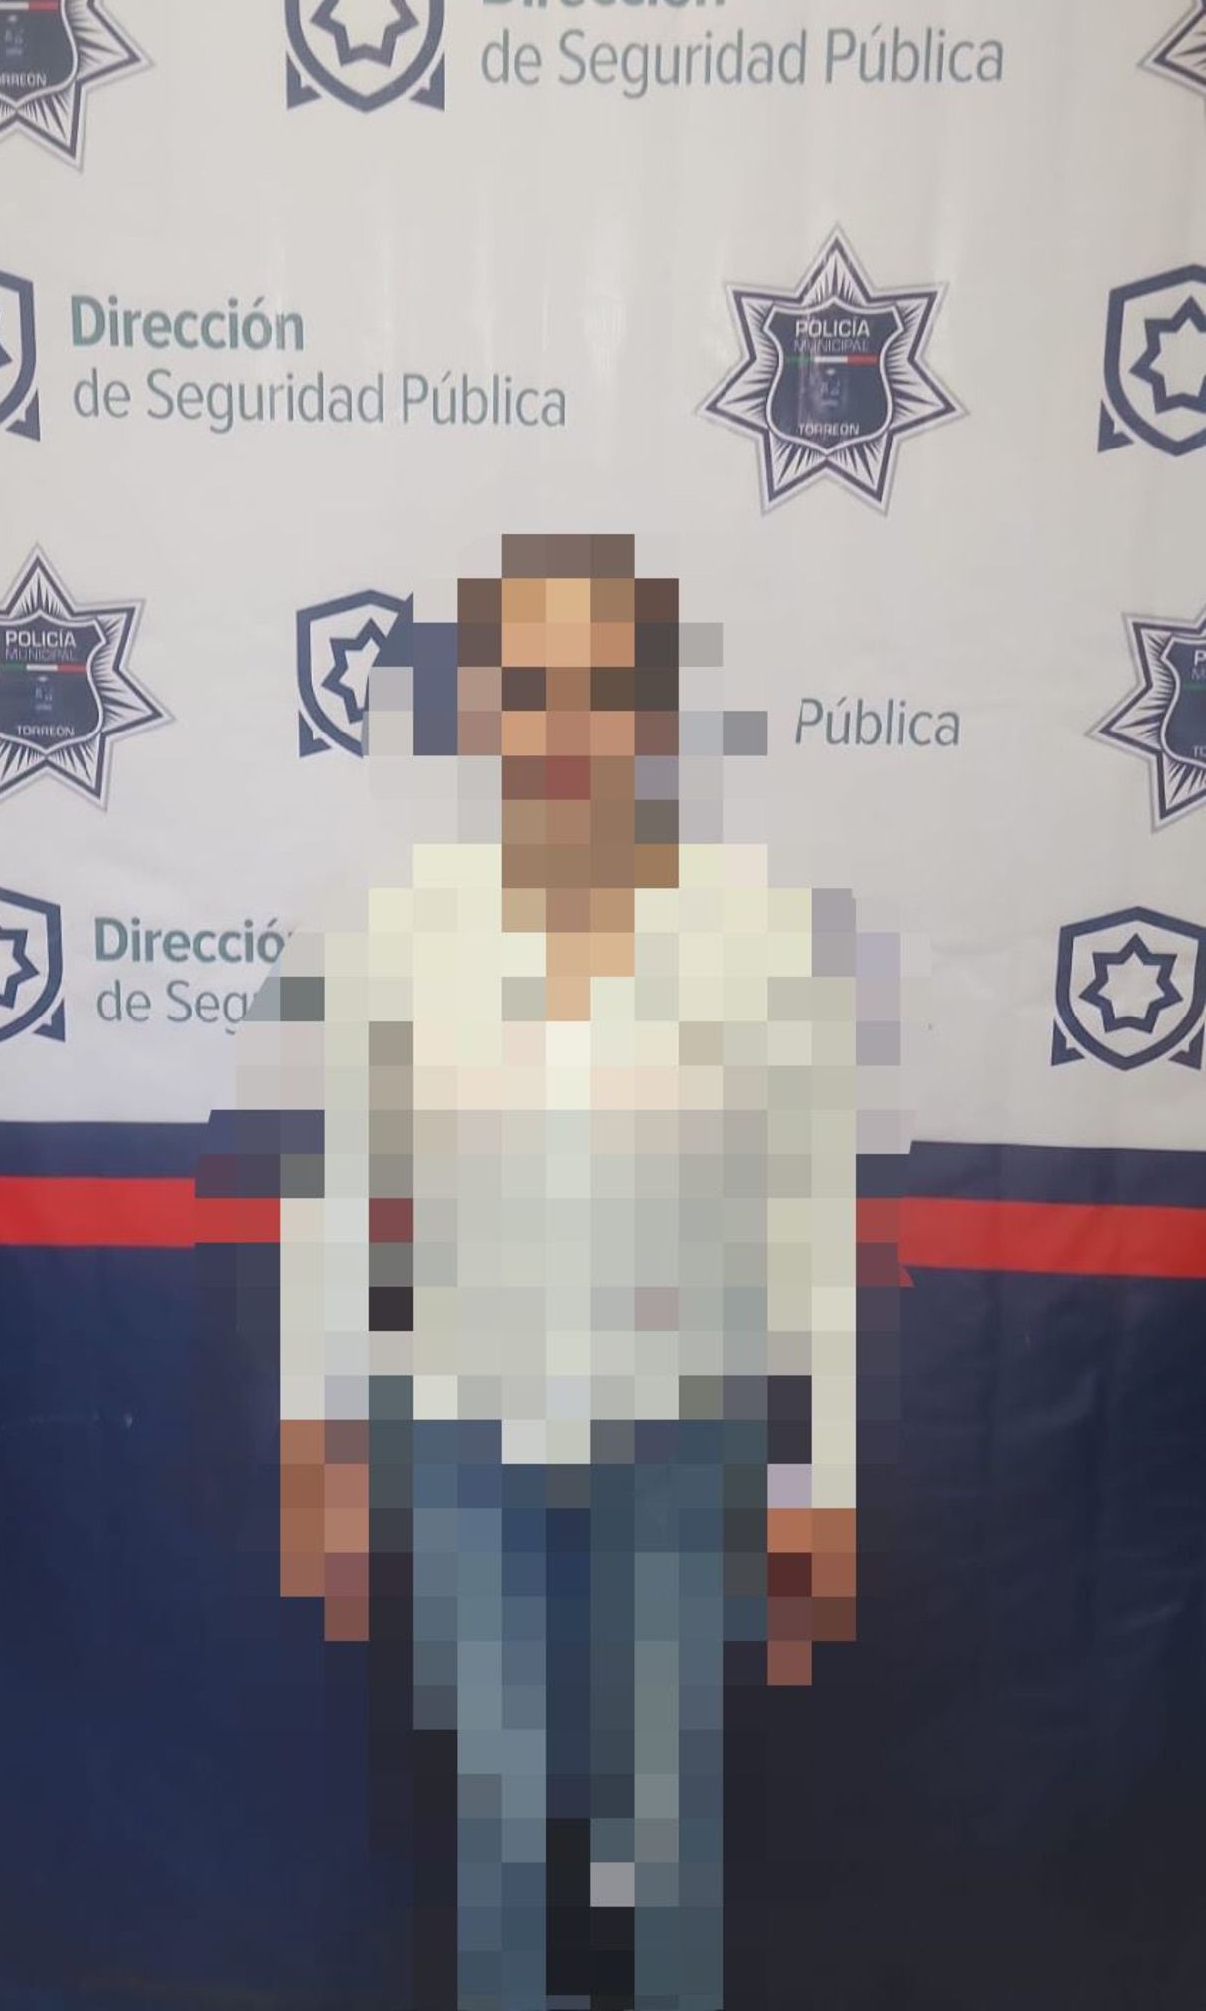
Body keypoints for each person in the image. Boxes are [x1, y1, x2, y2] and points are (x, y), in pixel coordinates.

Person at [223, 532, 888, 2011]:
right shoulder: (394, 932)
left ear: (654, 709)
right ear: (480, 708)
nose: (564, 726)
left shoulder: (757, 935)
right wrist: (319, 1439)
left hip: (687, 1445)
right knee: (505, 1834)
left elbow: (807, 1228)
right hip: (465, 1445)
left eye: (601, 685)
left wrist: (819, 1482)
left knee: (663, 1834)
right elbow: (337, 1208)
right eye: (529, 686)